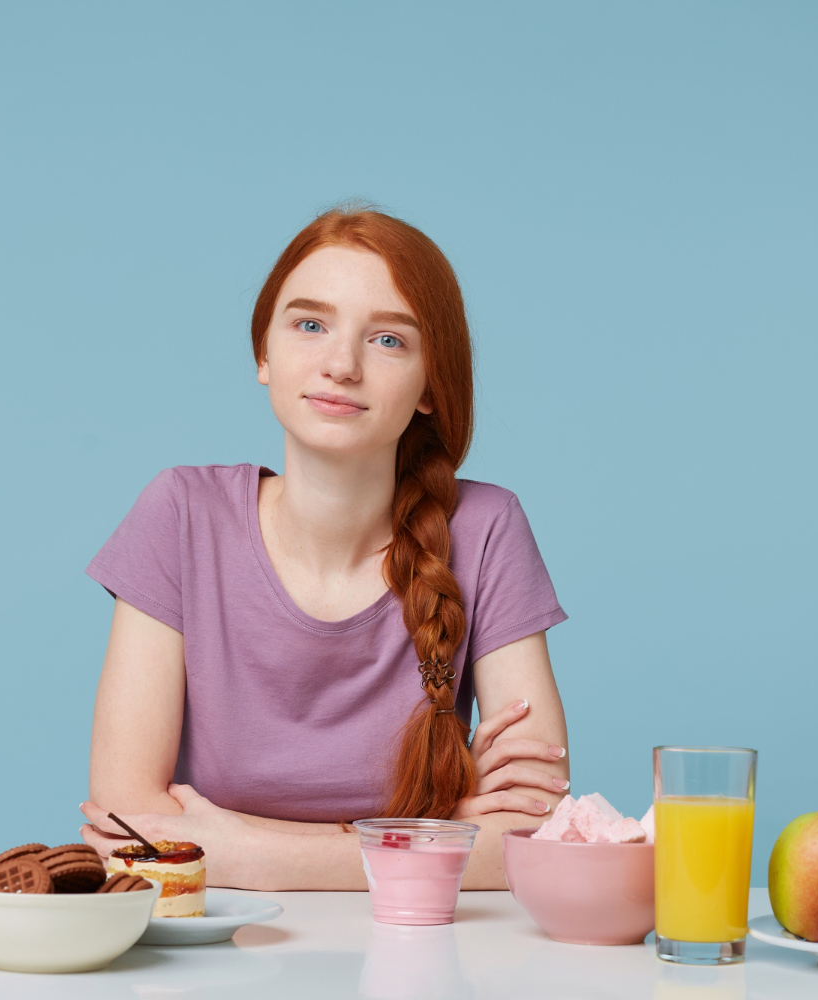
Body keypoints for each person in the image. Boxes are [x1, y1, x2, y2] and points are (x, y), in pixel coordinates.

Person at [79, 207, 570, 890]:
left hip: (422, 948)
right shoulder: (181, 515)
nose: (341, 365)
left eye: (390, 340)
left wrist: (246, 849)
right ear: (263, 354)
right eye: (310, 325)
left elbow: (531, 834)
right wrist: (436, 840)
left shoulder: (486, 527)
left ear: (432, 383)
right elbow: (128, 829)